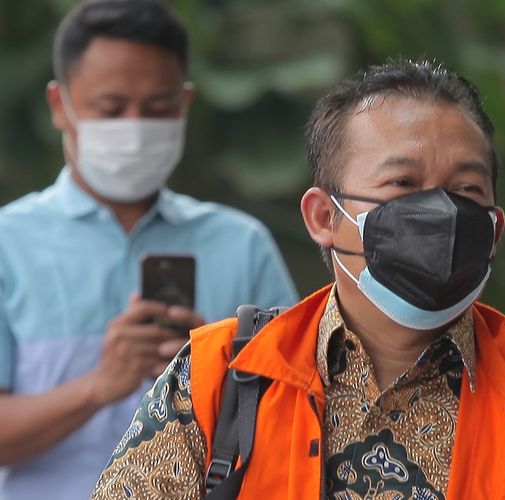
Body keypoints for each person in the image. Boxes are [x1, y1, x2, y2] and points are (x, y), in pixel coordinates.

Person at [92, 60, 505, 499]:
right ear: (324, 217)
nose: (439, 212)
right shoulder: (218, 382)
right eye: (402, 185)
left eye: (466, 191)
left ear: (494, 227)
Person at [0, 1, 298, 498]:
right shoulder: (8, 243)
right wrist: (99, 385)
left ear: (184, 103)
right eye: (111, 108)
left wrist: (214, 375)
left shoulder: (241, 244)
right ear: (60, 105)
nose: (134, 127)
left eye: (157, 109)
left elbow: (299, 414)